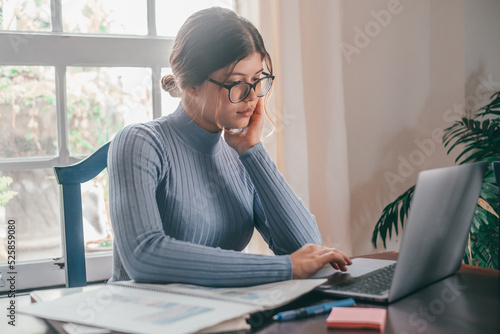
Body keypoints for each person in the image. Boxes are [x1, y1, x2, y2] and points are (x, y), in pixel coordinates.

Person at [107, 7, 351, 287]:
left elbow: (306, 248)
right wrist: (282, 267)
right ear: (191, 84)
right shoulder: (140, 142)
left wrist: (252, 151)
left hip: (220, 316)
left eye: (257, 80)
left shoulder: (239, 156)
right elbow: (144, 257)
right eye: (236, 84)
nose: (251, 98)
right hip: (141, 321)